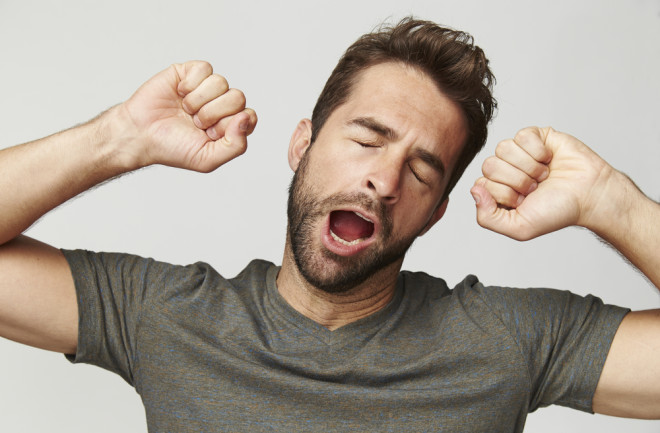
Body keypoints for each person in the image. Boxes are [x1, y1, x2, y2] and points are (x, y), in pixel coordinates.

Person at [0, 17, 658, 432]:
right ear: (302, 145)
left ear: (436, 212)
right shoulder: (167, 314)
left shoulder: (504, 338)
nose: (385, 180)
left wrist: (610, 200)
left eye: (422, 169)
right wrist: (116, 139)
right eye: (367, 139)